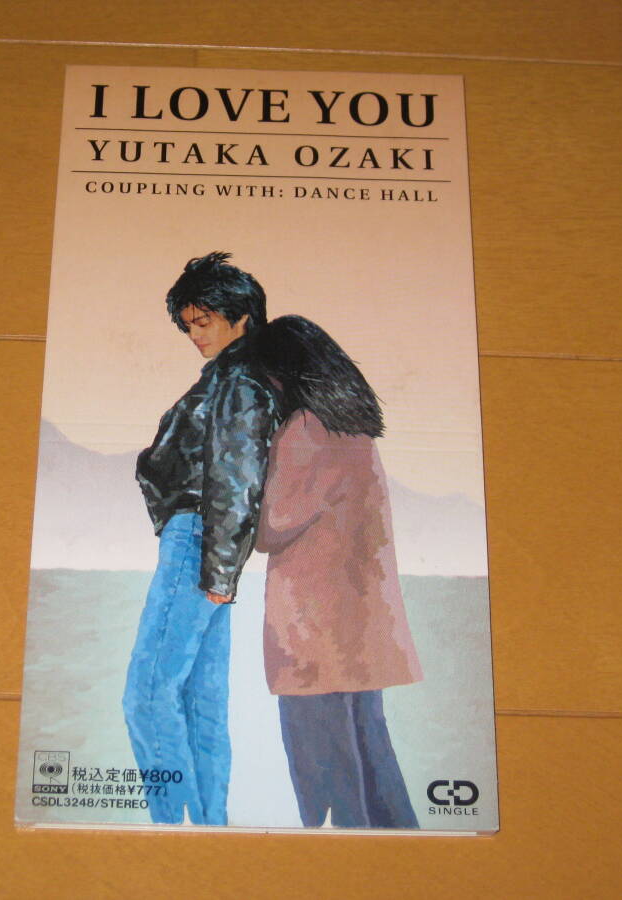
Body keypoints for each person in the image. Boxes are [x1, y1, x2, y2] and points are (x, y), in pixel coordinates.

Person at [124, 252, 280, 826]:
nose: (194, 335)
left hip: (197, 540)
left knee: (147, 696)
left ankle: (173, 824)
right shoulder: (238, 376)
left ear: (241, 316)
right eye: (188, 325)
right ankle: (210, 827)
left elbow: (238, 478)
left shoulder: (239, 381)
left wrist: (217, 572)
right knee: (200, 702)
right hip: (210, 545)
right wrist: (223, 570)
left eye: (203, 321)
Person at [253, 315, 422, 829]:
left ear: (281, 374)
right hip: (361, 638)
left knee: (327, 789)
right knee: (374, 772)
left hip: (314, 635)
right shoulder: (356, 430)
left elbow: (269, 529)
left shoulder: (304, 430)